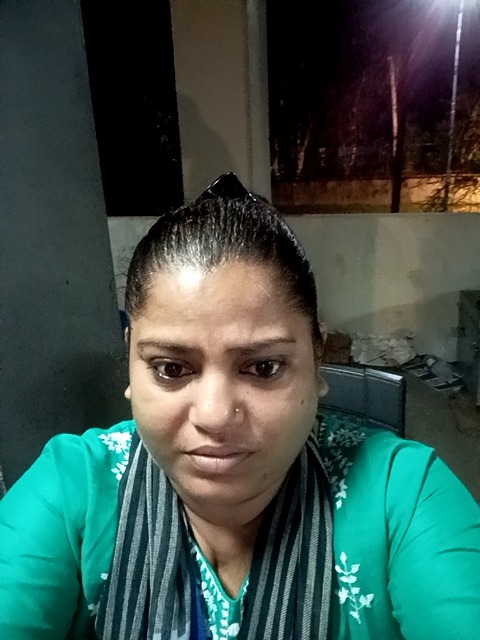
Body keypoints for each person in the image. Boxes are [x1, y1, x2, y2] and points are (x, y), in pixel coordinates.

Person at [0, 173, 479, 640]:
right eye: (171, 368)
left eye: (263, 368)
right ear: (131, 362)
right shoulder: (71, 490)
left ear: (317, 361)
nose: (213, 415)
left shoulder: (404, 496)